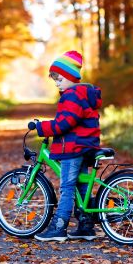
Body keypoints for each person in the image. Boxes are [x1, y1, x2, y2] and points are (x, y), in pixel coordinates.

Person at [34, 50, 102, 242]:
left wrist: (42, 127)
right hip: (84, 146)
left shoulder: (72, 96)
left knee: (67, 187)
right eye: (55, 80)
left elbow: (65, 123)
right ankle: (86, 227)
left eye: (60, 79)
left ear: (71, 77)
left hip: (73, 148)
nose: (57, 83)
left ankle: (59, 227)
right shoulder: (82, 94)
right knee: (81, 186)